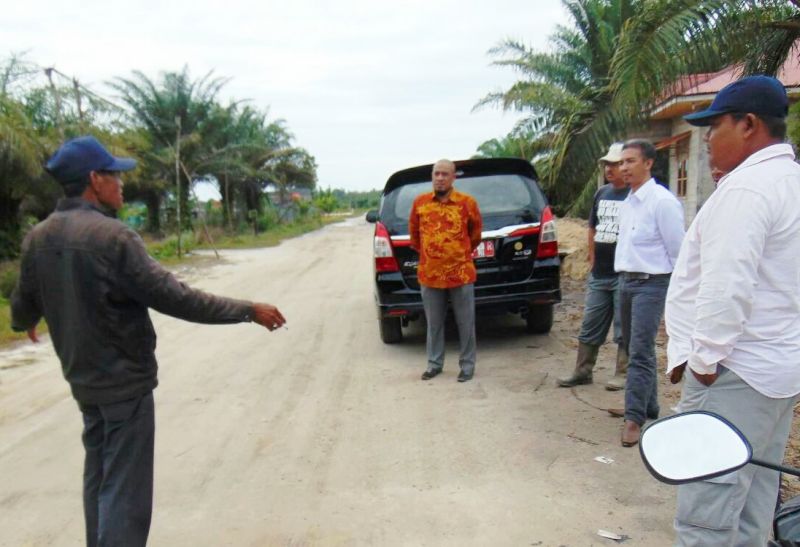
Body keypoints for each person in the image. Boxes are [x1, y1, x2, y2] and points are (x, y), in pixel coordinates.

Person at [10, 136, 287, 547]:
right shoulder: (113, 238)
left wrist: (27, 320)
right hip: (124, 381)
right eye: (114, 175)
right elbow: (177, 298)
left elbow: (23, 303)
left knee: (99, 474)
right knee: (125, 490)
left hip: (82, 379)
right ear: (94, 180)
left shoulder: (39, 237)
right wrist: (247, 310)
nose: (121, 183)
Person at [665, 76, 800, 546]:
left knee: (707, 516)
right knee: (750, 510)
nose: (706, 138)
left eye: (714, 125)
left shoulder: (748, 190)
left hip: (734, 375)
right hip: (774, 372)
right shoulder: (789, 181)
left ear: (748, 125)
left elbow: (726, 288)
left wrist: (703, 361)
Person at [614, 139, 684, 447]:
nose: (624, 167)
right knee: (632, 347)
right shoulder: (628, 201)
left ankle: (634, 418)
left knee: (641, 350)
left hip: (652, 283)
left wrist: (678, 294)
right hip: (626, 281)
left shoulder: (662, 202)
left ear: (649, 163)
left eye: (630, 161)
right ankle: (647, 405)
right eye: (622, 162)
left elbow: (678, 252)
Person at [558, 143, 629, 390]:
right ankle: (582, 370)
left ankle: (623, 373)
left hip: (624, 273)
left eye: (615, 164)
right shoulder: (602, 193)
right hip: (600, 273)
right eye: (607, 164)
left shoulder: (635, 195)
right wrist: (592, 257)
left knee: (623, 326)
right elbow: (592, 227)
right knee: (590, 323)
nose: (609, 169)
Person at [409, 159, 482, 382]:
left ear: (453, 177)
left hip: (460, 273)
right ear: (432, 176)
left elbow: (475, 235)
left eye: (445, 174)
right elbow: (415, 237)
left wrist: (457, 253)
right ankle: (434, 364)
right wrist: (432, 255)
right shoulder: (420, 203)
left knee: (465, 323)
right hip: (430, 274)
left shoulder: (467, 203)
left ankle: (467, 366)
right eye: (437, 174)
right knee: (434, 324)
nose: (440, 178)